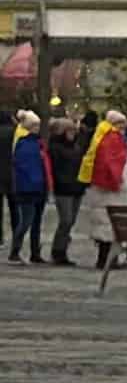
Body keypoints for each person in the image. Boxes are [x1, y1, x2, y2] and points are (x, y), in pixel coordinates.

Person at [82, 111, 127, 273]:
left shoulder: (101, 137)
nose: (124, 128)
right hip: (113, 191)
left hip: (101, 190)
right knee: (110, 225)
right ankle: (110, 259)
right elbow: (115, 165)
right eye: (121, 124)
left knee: (104, 224)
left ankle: (105, 258)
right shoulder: (113, 139)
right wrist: (122, 183)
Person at [9, 111, 49, 264]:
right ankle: (15, 250)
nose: (37, 128)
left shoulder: (38, 143)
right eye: (35, 125)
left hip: (38, 186)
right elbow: (23, 166)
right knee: (26, 221)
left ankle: (35, 252)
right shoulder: (24, 143)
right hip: (28, 187)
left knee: (36, 223)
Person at [45, 116, 83, 267]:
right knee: (66, 220)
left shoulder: (76, 146)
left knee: (71, 221)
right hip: (63, 188)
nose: (73, 133)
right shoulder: (55, 147)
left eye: (74, 130)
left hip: (76, 187)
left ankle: (62, 249)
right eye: (69, 130)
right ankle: (58, 250)